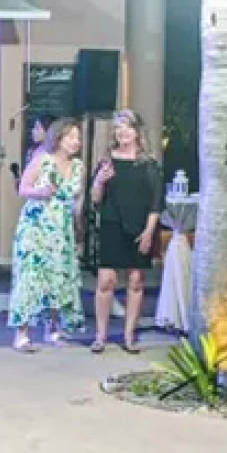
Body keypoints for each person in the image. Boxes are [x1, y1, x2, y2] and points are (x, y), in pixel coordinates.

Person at [9, 118, 85, 351]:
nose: (75, 142)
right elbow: (23, 189)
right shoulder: (43, 160)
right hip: (36, 228)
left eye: (78, 137)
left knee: (58, 277)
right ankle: (21, 333)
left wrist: (78, 227)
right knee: (31, 278)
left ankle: (52, 328)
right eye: (70, 136)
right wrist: (40, 192)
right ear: (58, 137)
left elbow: (76, 201)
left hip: (61, 229)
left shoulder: (79, 167)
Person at [89, 109, 161, 354]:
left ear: (138, 132)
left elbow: (155, 204)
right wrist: (99, 181)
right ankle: (100, 336)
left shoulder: (149, 164)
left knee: (135, 281)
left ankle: (129, 335)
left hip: (140, 227)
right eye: (118, 128)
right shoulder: (107, 162)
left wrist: (149, 232)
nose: (123, 132)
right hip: (111, 225)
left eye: (128, 127)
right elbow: (95, 200)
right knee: (106, 281)